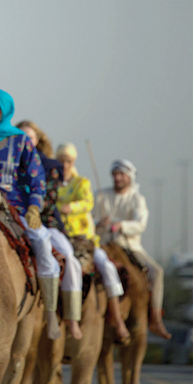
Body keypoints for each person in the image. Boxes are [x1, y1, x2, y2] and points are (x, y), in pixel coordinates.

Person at [0, 89, 63, 341]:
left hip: (13, 209)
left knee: (42, 244)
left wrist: (34, 207)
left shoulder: (21, 141)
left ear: (0, 112)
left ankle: (50, 313)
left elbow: (37, 177)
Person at [54, 143, 130, 341]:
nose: (64, 165)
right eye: (61, 161)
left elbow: (87, 202)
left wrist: (71, 207)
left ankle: (117, 317)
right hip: (60, 237)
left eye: (68, 161)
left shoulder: (82, 183)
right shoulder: (51, 184)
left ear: (73, 162)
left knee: (106, 266)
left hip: (84, 239)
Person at [15, 121, 84, 340]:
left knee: (69, 258)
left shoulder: (52, 166)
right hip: (11, 217)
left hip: (44, 222)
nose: (26, 141)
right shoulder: (7, 161)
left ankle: (70, 317)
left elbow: (50, 198)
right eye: (21, 136)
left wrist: (32, 213)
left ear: (38, 141)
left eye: (30, 137)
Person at [93, 159, 171, 340]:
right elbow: (87, 219)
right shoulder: (99, 195)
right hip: (103, 245)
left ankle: (155, 318)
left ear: (129, 177)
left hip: (129, 246)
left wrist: (120, 225)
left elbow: (140, 224)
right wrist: (99, 224)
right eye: (115, 174)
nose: (118, 178)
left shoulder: (137, 199)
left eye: (121, 174)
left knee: (157, 272)